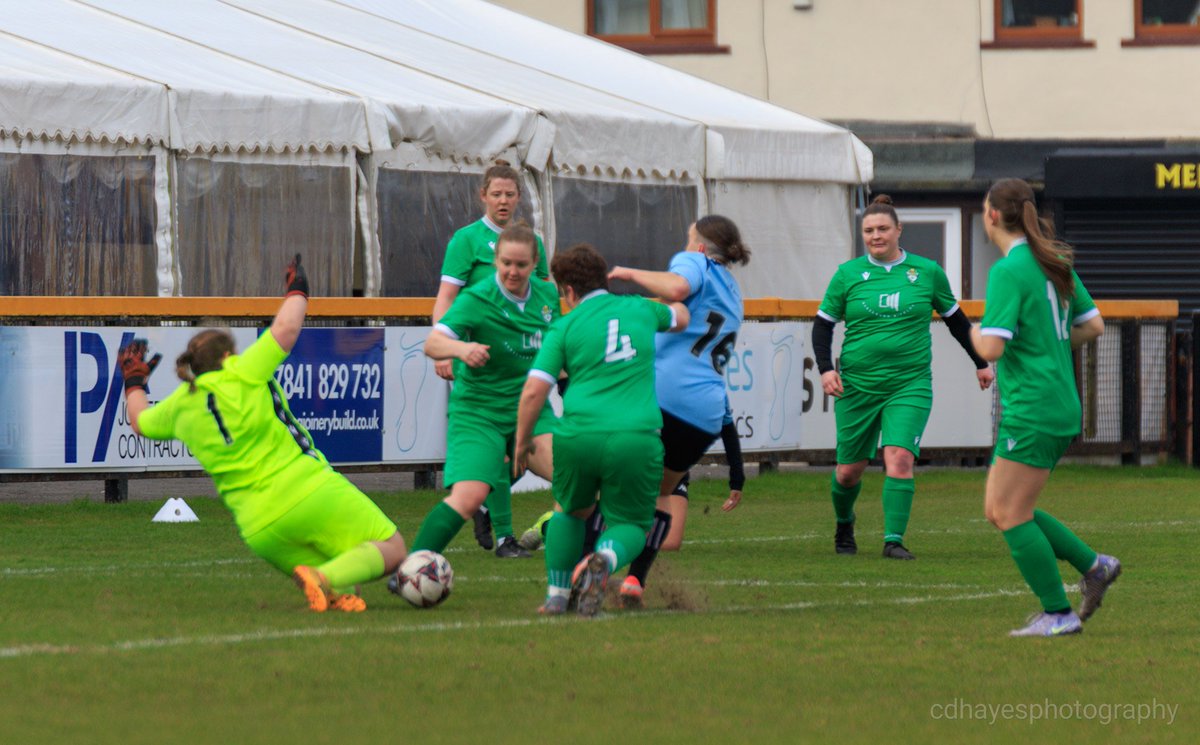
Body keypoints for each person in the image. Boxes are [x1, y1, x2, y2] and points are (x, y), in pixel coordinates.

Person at [120, 256, 407, 613]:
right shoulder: (242, 371)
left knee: (348, 575)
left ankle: (331, 587)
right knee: (392, 548)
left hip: (259, 528)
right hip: (305, 489)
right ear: (228, 355)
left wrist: (134, 381)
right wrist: (298, 290)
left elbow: (139, 422)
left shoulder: (180, 405)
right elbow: (286, 329)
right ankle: (324, 578)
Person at [970, 178, 1119, 637]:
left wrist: (969, 330)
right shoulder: (1052, 261)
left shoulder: (1009, 270)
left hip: (1033, 406)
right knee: (1000, 509)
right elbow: (1093, 326)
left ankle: (1058, 613)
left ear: (993, 215)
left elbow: (991, 348)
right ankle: (1093, 566)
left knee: (1010, 513)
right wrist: (1046, 345)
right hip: (1056, 402)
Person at [813, 194, 994, 560]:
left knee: (898, 458)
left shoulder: (926, 272)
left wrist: (981, 361)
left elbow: (958, 323)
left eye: (882, 229)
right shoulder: (847, 275)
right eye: (868, 230)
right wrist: (826, 369)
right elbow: (823, 326)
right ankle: (844, 523)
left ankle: (893, 541)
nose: (875, 236)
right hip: (857, 386)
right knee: (848, 472)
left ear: (899, 230)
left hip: (909, 384)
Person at [513, 243, 688, 616]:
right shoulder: (641, 309)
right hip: (635, 437)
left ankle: (556, 597)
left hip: (579, 435)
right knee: (632, 524)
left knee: (569, 511)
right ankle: (605, 560)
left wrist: (523, 440)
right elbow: (682, 314)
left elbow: (533, 392)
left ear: (569, 291)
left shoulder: (564, 326)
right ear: (603, 279)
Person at [398, 223, 561, 573]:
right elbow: (433, 343)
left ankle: (575, 569)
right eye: (506, 263)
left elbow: (557, 351)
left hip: (530, 410)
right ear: (496, 260)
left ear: (535, 264)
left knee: (575, 479)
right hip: (480, 411)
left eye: (521, 265)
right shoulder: (478, 297)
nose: (512, 271)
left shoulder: (548, 297)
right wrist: (462, 349)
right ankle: (409, 569)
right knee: (469, 497)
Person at [605, 215, 749, 607]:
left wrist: (627, 274)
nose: (685, 247)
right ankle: (634, 581)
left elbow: (678, 286)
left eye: (688, 240)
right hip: (703, 415)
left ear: (700, 247)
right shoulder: (734, 292)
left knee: (607, 481)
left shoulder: (696, 262)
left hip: (660, 397)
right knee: (659, 495)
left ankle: (595, 560)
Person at [432, 161, 552, 552]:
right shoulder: (466, 240)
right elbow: (447, 298)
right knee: (497, 450)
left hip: (521, 364)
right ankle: (504, 534)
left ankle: (487, 507)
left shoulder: (532, 242)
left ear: (519, 198)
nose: (503, 201)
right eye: (496, 194)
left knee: (519, 452)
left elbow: (544, 301)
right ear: (483, 196)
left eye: (510, 194)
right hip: (480, 360)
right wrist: (446, 349)